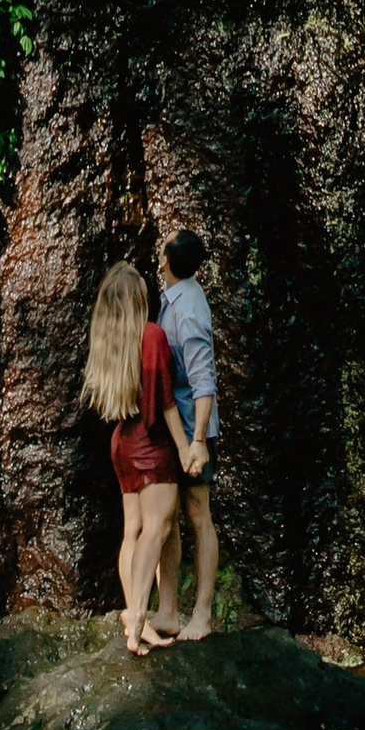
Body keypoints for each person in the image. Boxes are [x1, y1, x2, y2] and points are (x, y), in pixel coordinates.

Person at [82, 258, 195, 655]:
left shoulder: (111, 340)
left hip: (122, 442)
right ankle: (138, 620)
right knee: (158, 528)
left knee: (132, 531)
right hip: (151, 443)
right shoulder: (151, 336)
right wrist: (184, 447)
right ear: (137, 300)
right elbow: (165, 402)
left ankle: (134, 616)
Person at [153, 229, 221, 640]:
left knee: (198, 517)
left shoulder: (189, 308)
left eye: (163, 249)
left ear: (168, 262)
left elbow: (204, 382)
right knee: (168, 518)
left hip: (193, 431)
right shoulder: (173, 296)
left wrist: (197, 441)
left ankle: (203, 615)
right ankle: (167, 610)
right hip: (171, 428)